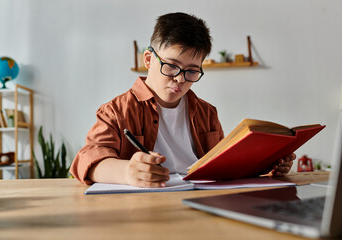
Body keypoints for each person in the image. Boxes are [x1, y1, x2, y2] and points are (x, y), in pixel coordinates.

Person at [70, 12, 295, 187]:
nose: (180, 79)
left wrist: (268, 166)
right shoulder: (116, 111)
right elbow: (86, 161)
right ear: (148, 59)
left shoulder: (207, 113)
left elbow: (225, 166)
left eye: (191, 71)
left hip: (201, 202)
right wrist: (128, 172)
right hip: (143, 207)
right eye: (171, 66)